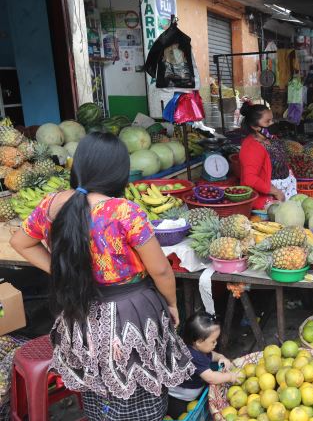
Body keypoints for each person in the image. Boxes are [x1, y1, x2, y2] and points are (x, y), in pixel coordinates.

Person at [10, 132, 193, 420]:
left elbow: (20, 242)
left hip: (79, 312)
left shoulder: (52, 204)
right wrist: (171, 304)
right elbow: (160, 269)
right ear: (118, 172)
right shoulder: (124, 211)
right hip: (132, 314)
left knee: (97, 391)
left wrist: (63, 272)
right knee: (139, 390)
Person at [167, 312, 238, 419]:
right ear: (199, 342)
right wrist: (230, 376)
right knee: (180, 415)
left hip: (193, 389)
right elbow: (211, 378)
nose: (216, 343)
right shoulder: (193, 357)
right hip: (179, 398)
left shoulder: (198, 348)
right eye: (213, 341)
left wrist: (221, 357)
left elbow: (212, 355)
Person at [239, 104, 295, 207]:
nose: (272, 123)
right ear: (254, 126)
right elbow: (250, 178)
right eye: (267, 121)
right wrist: (276, 192)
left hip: (285, 192)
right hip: (267, 199)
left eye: (272, 120)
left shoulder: (271, 139)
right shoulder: (251, 147)